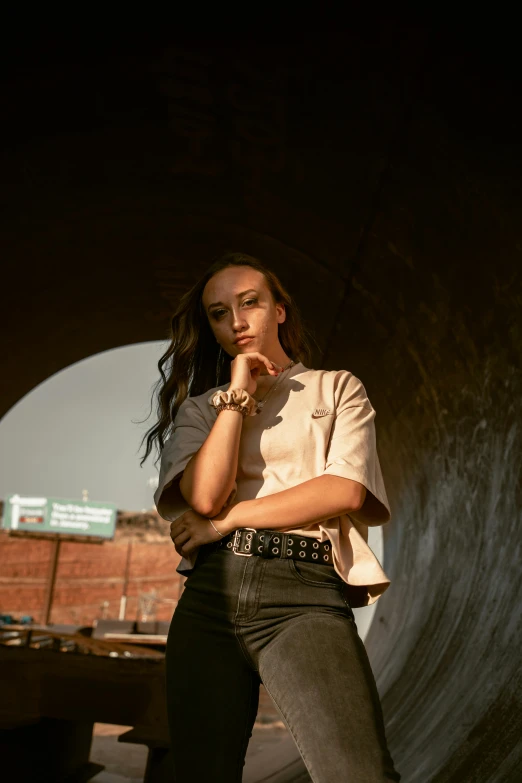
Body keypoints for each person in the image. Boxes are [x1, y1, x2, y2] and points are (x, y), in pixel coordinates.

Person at [140, 251, 401, 782]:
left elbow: (345, 490)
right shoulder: (201, 411)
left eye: (249, 303)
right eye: (218, 313)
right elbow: (206, 497)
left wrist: (229, 522)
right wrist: (237, 397)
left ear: (279, 310)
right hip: (209, 597)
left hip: (303, 593)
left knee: (360, 775)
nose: (235, 321)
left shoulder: (336, 388)